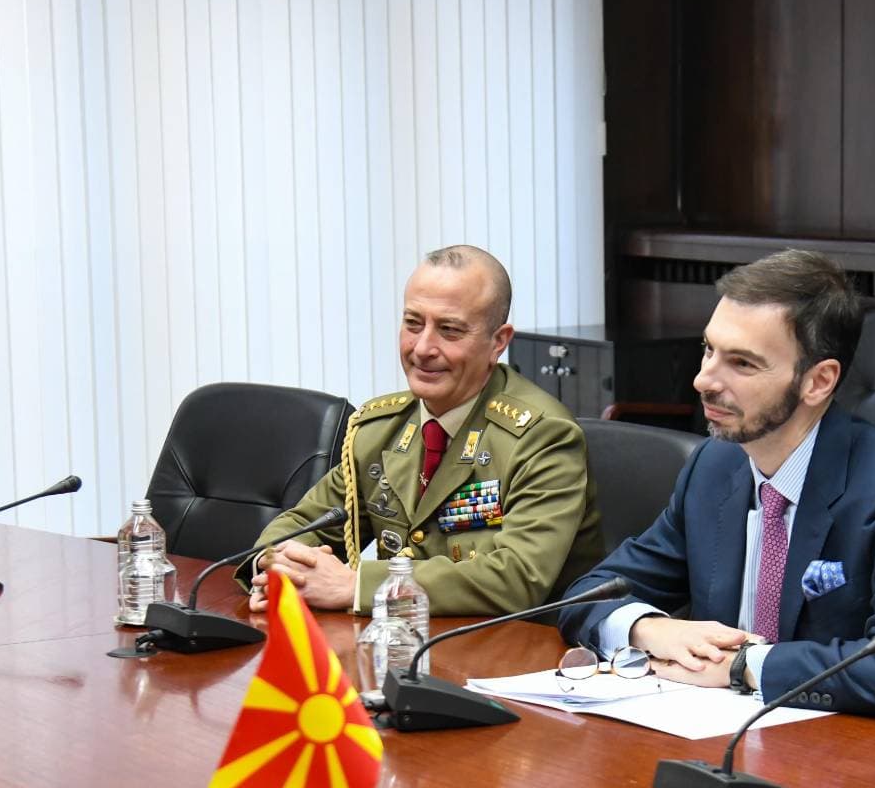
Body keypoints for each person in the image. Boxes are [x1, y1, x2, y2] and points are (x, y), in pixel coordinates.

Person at [557, 249, 875, 726]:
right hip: (730, 735)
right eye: (709, 350)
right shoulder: (715, 467)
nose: (703, 380)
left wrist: (743, 666)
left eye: (742, 363)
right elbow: (587, 596)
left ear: (818, 381)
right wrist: (649, 629)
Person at [241, 245, 603, 616]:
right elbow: (302, 525)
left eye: (449, 330)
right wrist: (277, 569)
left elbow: (517, 577)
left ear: (498, 342)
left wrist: (356, 587)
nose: (423, 347)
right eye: (413, 324)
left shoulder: (542, 436)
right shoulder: (380, 428)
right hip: (402, 637)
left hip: (514, 642)